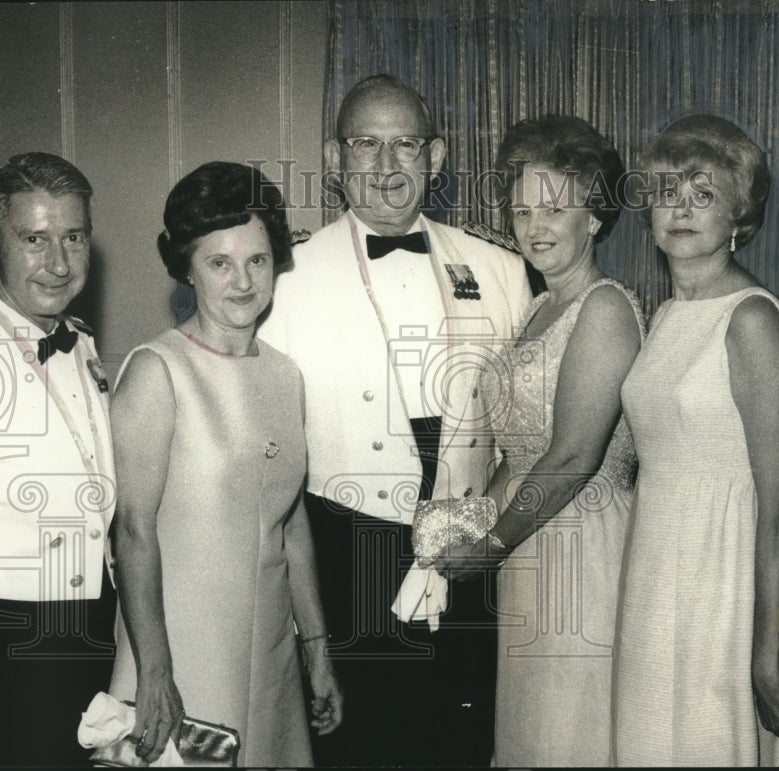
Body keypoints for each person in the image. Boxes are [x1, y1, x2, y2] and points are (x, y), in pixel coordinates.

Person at [258, 74, 531, 766]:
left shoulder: (499, 266)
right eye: (365, 145)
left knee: (465, 739)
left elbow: (527, 427)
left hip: (475, 547)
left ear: (435, 157)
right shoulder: (282, 279)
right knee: (362, 742)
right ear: (333, 156)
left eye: (404, 144)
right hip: (346, 548)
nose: (385, 167)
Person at [108, 161, 342, 766]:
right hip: (178, 654)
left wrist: (315, 651)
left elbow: (289, 524)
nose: (242, 281)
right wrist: (154, 673)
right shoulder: (155, 371)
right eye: (220, 263)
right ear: (187, 266)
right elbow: (132, 531)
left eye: (257, 261)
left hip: (269, 654)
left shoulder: (284, 374)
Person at [433, 115, 645, 766]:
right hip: (529, 548)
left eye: (555, 207)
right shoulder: (535, 308)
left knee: (570, 735)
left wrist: (490, 545)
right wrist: (467, 525)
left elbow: (574, 456)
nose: (535, 225)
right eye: (522, 209)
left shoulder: (605, 307)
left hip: (584, 551)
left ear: (597, 216)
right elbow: (518, 455)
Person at [613, 115, 779, 765]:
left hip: (727, 582)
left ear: (739, 214)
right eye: (667, 190)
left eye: (704, 193)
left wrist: (766, 655)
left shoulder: (750, 318)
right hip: (656, 568)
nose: (681, 208)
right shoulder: (665, 314)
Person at [0, 152, 116, 766]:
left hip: (94, 633)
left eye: (73, 237)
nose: (58, 264)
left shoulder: (80, 344)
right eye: (34, 239)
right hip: (1, 644)